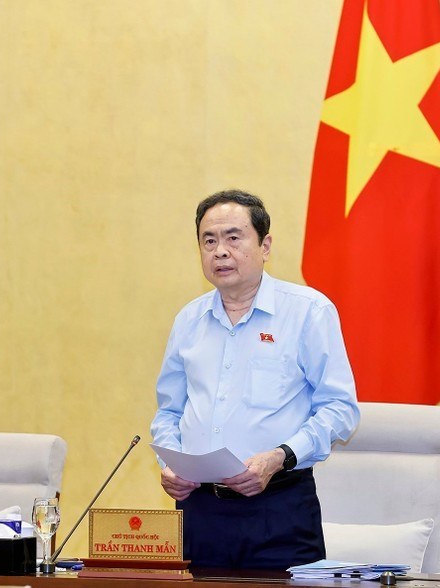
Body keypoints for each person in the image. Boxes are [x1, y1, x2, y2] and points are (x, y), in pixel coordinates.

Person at [150, 189, 359, 569]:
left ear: (265, 245)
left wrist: (280, 457)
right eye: (208, 241)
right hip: (197, 514)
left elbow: (339, 409)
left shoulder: (308, 312)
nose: (220, 251)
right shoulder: (188, 321)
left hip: (278, 512)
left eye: (233, 237)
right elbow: (169, 412)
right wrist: (170, 462)